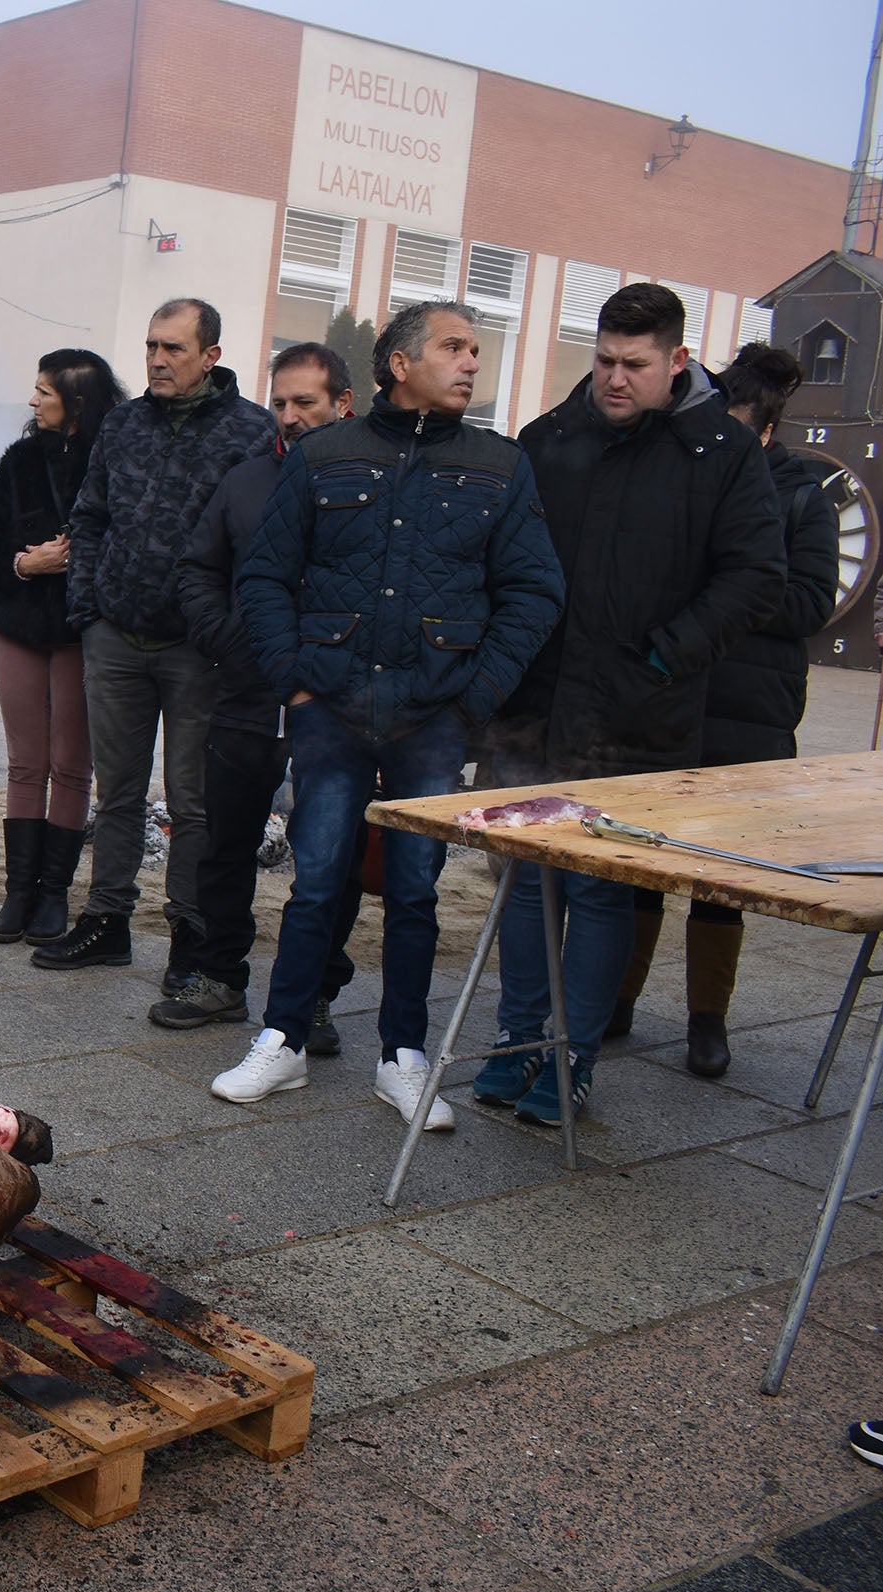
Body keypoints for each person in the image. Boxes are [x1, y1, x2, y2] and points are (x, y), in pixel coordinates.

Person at [217, 303, 565, 1126]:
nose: (470, 363)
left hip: (432, 715)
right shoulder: (326, 454)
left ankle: (403, 1057)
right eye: (452, 348)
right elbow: (263, 575)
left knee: (414, 892)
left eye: (474, 351)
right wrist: (292, 680)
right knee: (316, 883)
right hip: (329, 704)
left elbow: (535, 590)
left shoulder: (498, 465)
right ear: (399, 364)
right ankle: (282, 1040)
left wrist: (473, 698)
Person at [475, 283, 785, 1127]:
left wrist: (662, 654)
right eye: (603, 360)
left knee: (601, 892)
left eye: (633, 365)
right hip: (536, 707)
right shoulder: (547, 439)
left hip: (639, 715)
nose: (613, 379)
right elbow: (503, 562)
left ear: (676, 361)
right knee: (526, 884)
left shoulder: (719, 452)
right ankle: (514, 1042)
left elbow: (756, 578)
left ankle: (570, 1061)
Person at [610, 341, 838, 1078]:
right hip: (671, 694)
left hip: (750, 708)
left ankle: (707, 1021)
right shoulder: (689, 475)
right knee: (641, 861)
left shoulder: (802, 497)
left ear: (764, 430)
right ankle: (617, 1001)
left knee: (722, 878)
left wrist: (734, 587)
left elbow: (809, 602)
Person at [45, 299, 276, 981]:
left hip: (195, 650)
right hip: (115, 636)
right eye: (150, 346)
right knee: (115, 792)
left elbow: (254, 546)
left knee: (190, 801)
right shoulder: (123, 423)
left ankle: (188, 936)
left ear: (210, 356)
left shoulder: (251, 433)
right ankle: (106, 920)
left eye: (173, 348)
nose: (155, 359)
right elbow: (87, 518)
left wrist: (224, 633)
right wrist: (87, 607)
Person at [156, 341, 360, 1040]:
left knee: (330, 856)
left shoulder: (373, 487)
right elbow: (197, 571)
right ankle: (217, 976)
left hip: (335, 706)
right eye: (279, 402)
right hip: (244, 694)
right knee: (225, 843)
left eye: (305, 402)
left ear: (343, 404)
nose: (289, 416)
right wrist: (230, 640)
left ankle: (314, 994)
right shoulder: (244, 481)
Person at [0, 348, 122, 947]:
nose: (33, 401)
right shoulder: (20, 459)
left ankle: (54, 894)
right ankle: (17, 893)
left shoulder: (116, 460)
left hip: (84, 631)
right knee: (26, 762)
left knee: (71, 764)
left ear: (77, 404)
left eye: (44, 392)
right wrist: (27, 563)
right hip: (19, 625)